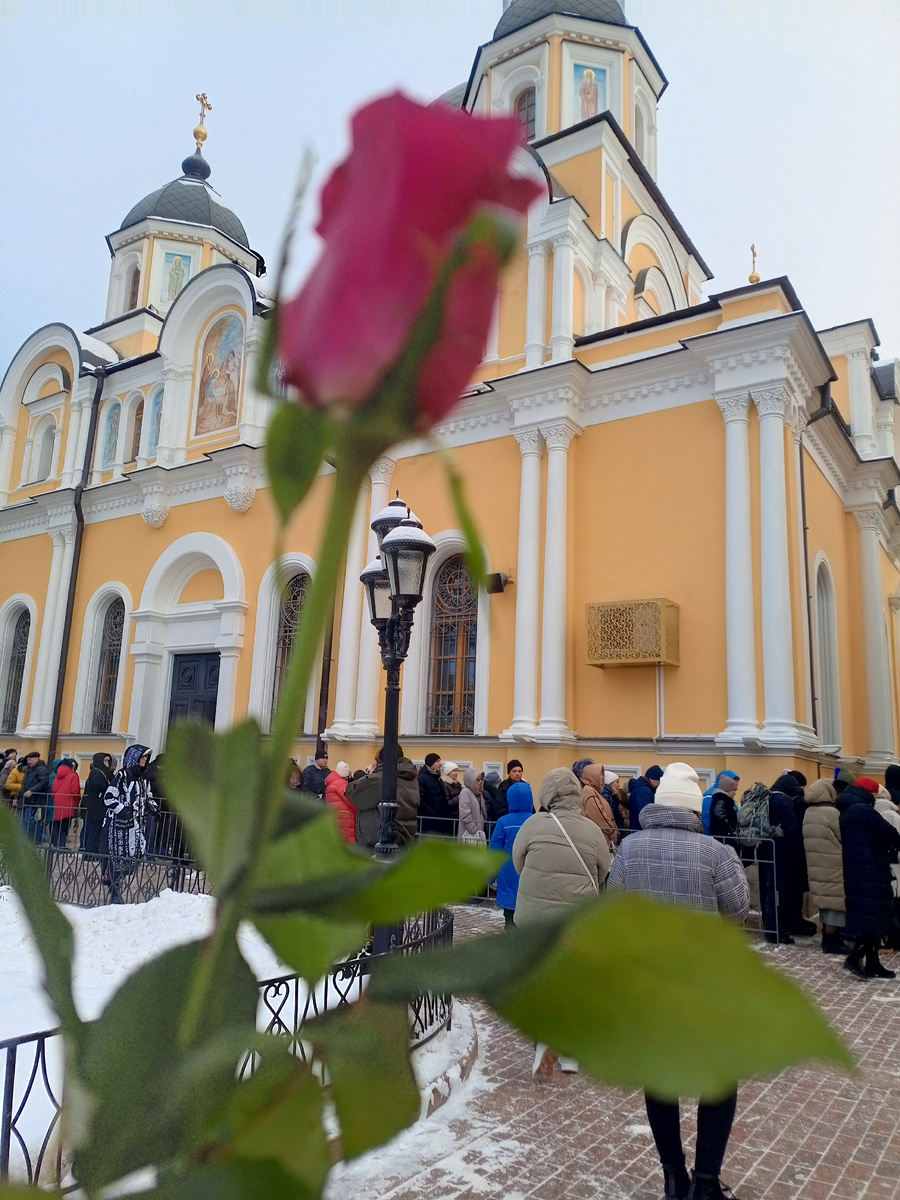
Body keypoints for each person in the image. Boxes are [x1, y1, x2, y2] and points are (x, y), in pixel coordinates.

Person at [609, 762, 749, 1200]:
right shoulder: (716, 853)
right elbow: (738, 910)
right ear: (694, 809)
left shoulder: (629, 849)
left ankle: (673, 1176)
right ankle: (706, 1181)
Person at [512, 767, 611, 1076]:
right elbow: (603, 869)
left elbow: (518, 862)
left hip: (534, 917)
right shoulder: (591, 830)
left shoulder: (532, 824)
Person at [839, 776, 900, 979]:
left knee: (870, 919)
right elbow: (890, 833)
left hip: (858, 870)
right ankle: (854, 957)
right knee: (873, 918)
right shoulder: (864, 811)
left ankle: (873, 963)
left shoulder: (849, 809)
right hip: (870, 871)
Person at [103, 744, 157, 903]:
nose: (145, 760)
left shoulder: (143, 777)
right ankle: (115, 892)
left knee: (132, 859)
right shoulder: (122, 775)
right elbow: (108, 798)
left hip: (136, 826)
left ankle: (114, 884)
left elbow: (147, 796)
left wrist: (154, 809)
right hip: (119, 827)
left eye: (147, 757)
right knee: (117, 860)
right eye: (142, 757)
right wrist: (122, 809)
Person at [801, 778, 846, 954]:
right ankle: (831, 941)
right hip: (833, 864)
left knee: (825, 905)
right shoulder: (832, 813)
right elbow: (843, 836)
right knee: (835, 904)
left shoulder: (809, 811)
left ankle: (828, 937)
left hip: (816, 865)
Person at [345, 745, 419, 849]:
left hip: (381, 842)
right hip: (403, 837)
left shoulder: (381, 778)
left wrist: (370, 774)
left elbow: (353, 793)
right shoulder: (409, 776)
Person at [489, 780, 534, 927]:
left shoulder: (503, 822)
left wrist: (489, 877)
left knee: (510, 916)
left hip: (508, 872)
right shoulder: (535, 821)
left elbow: (494, 851)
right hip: (530, 872)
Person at [81, 752, 114, 855]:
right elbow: (98, 785)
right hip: (96, 807)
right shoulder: (96, 772)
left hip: (101, 806)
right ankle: (90, 852)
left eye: (108, 761)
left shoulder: (105, 773)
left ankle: (95, 851)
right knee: (94, 831)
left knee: (98, 830)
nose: (107, 763)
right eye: (105, 761)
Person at [579, 763, 617, 848]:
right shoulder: (589, 791)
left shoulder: (593, 791)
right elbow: (599, 815)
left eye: (603, 775)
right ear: (591, 776)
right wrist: (611, 831)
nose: (603, 778)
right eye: (599, 775)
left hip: (599, 838)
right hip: (597, 839)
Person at [48, 758, 81, 848]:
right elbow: (75, 790)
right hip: (68, 803)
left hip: (57, 803)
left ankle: (55, 844)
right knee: (65, 825)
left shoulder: (57, 776)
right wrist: (78, 800)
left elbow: (53, 791)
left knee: (57, 824)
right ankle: (61, 845)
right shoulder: (73, 775)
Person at [19, 751, 49, 843]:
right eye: (27, 760)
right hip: (26, 800)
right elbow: (24, 785)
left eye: (30, 760)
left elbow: (43, 782)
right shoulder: (29, 770)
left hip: (35, 800)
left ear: (36, 759)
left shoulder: (41, 769)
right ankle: (31, 840)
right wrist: (17, 797)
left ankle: (42, 837)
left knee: (30, 820)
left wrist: (32, 791)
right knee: (24, 822)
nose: (28, 762)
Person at [417, 753, 450, 835]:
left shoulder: (437, 778)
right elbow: (420, 799)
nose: (440, 763)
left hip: (439, 820)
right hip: (429, 821)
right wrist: (432, 813)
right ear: (430, 763)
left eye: (440, 761)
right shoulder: (422, 778)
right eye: (437, 761)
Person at [324, 761, 356, 843]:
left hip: (336, 819)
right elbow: (352, 801)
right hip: (346, 821)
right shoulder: (341, 784)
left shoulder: (330, 784)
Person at [701, 770, 739, 835]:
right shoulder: (710, 797)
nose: (735, 790)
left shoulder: (726, 798)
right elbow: (706, 819)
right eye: (734, 788)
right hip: (716, 839)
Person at [458, 767, 488, 844]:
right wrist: (475, 831)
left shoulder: (479, 794)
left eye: (482, 779)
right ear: (471, 780)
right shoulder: (465, 792)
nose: (481, 782)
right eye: (478, 780)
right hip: (468, 835)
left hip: (478, 835)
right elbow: (465, 814)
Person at [628, 764, 662, 830]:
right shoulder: (644, 792)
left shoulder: (642, 789)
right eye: (658, 780)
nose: (660, 783)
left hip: (638, 829)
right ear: (651, 779)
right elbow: (646, 814)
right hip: (641, 830)